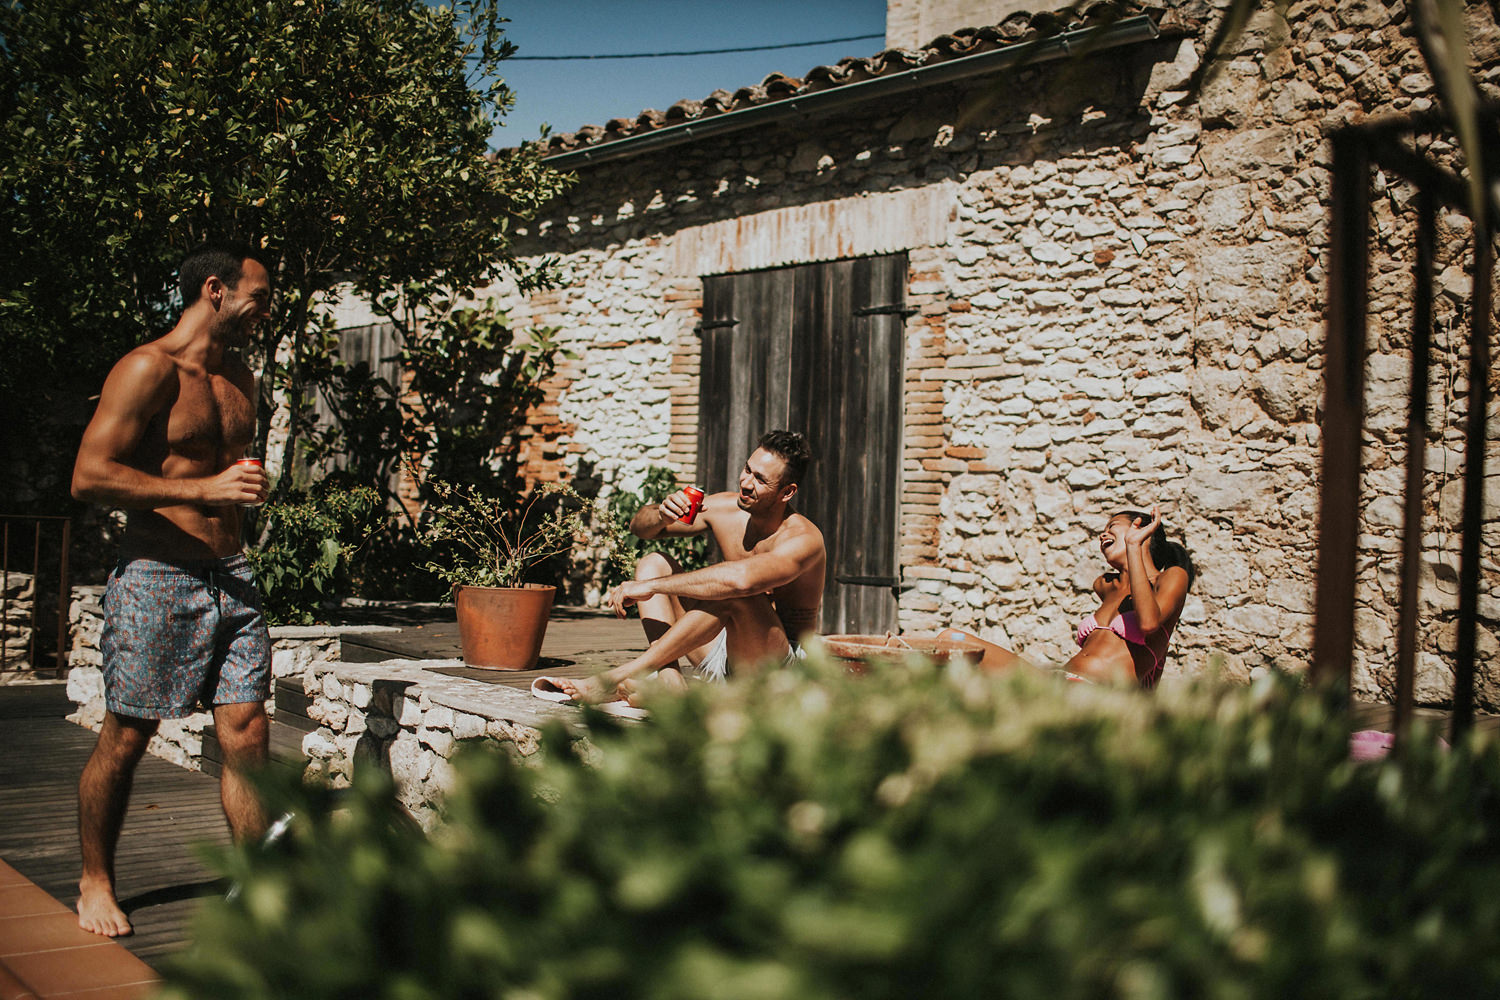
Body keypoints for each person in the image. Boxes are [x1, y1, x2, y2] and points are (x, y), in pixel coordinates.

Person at [70, 241, 274, 937]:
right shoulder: (147, 368)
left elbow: (228, 470)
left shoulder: (240, 376)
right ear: (214, 290)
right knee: (128, 736)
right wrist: (201, 487)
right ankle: (95, 880)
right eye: (258, 297)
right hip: (158, 576)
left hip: (233, 577)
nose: (264, 311)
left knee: (247, 732)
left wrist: (239, 491)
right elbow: (90, 476)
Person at [555, 430, 826, 704]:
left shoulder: (803, 539)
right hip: (721, 652)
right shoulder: (725, 508)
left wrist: (650, 587)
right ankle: (671, 683)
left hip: (777, 672)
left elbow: (742, 581)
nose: (745, 482)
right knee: (653, 563)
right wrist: (661, 513)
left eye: (760, 479)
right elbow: (640, 529)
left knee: (738, 594)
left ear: (787, 492)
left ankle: (622, 674)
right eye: (747, 469)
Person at [940, 505, 1194, 688]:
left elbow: (1149, 622)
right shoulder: (1106, 585)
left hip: (1097, 694)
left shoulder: (1172, 577)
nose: (1102, 535)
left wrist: (1133, 546)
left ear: (1142, 531)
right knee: (949, 639)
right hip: (1058, 682)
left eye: (1112, 528)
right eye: (1103, 530)